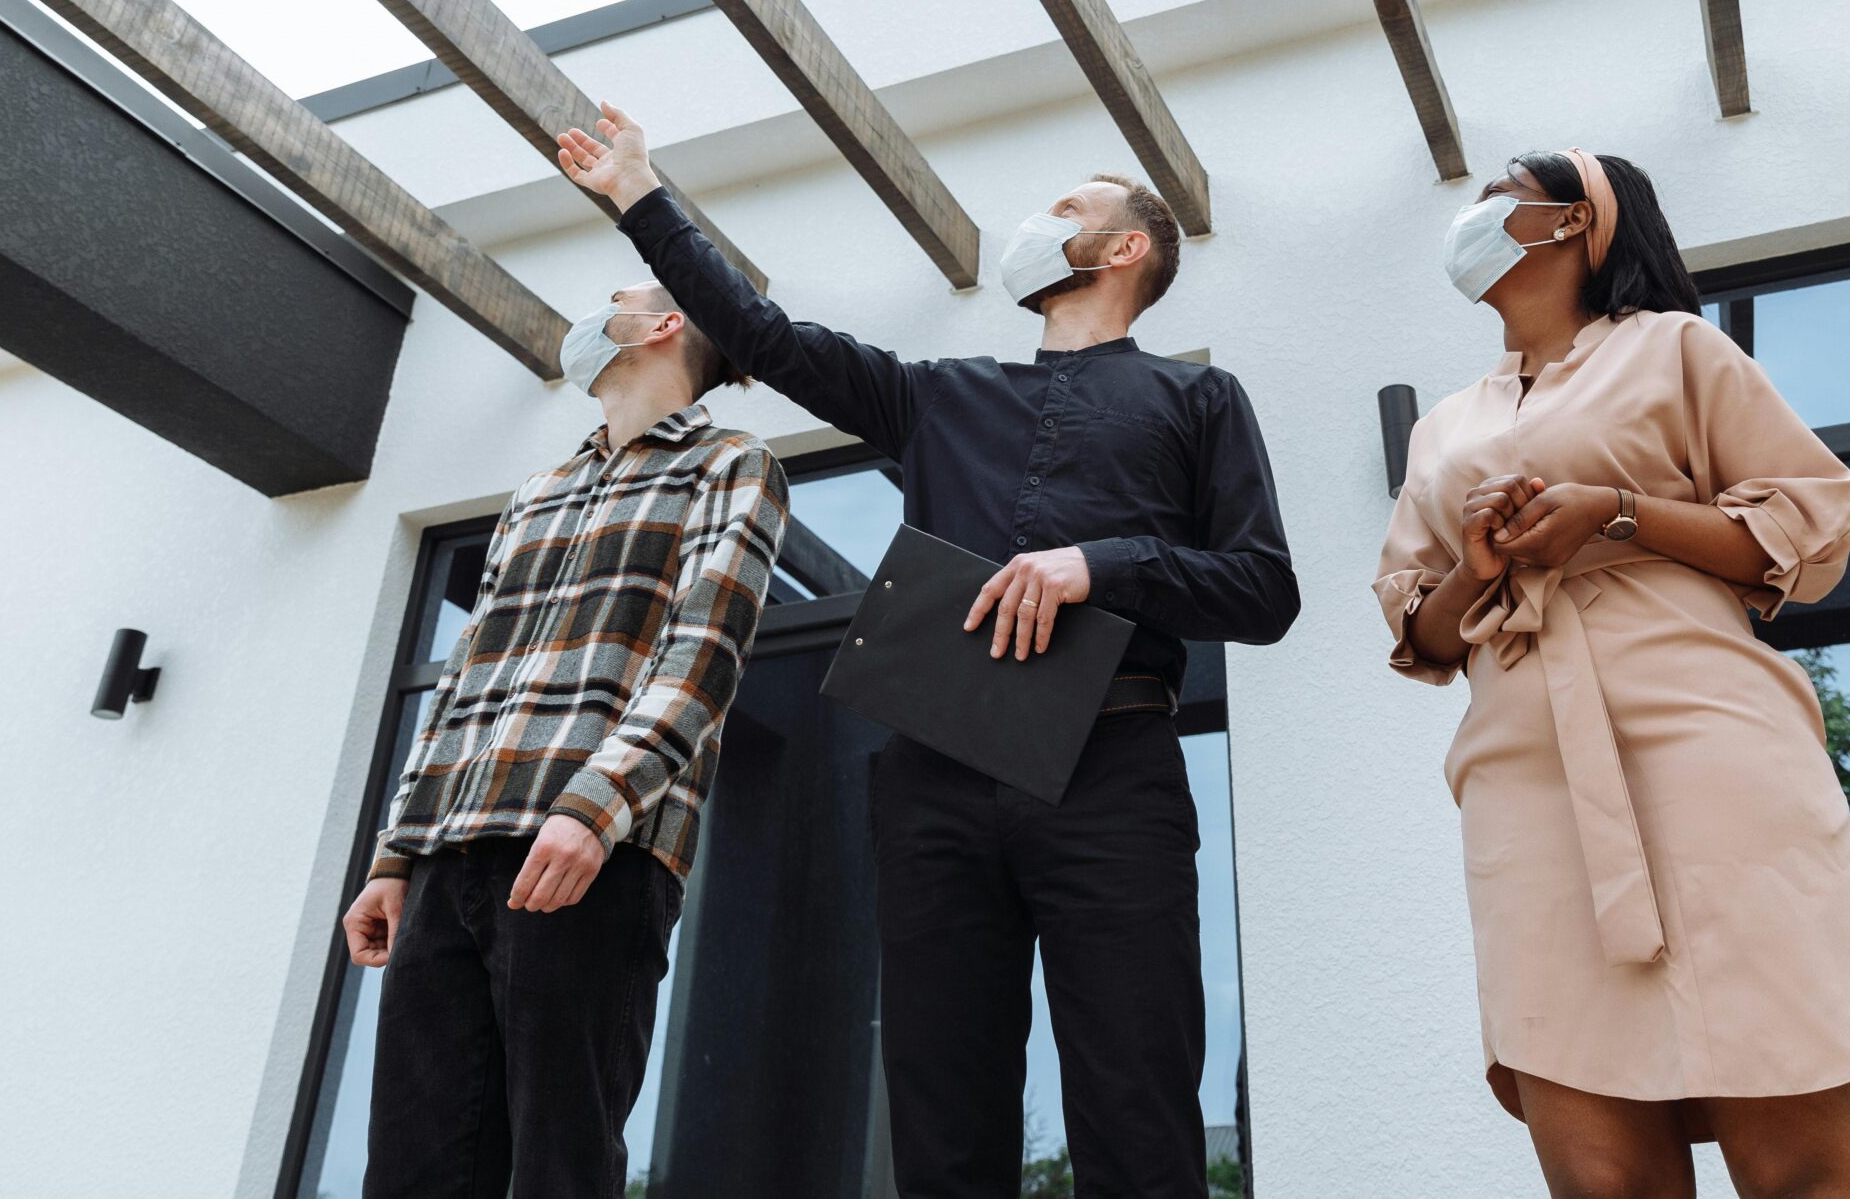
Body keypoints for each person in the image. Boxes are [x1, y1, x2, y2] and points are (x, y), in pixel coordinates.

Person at [556, 102, 1300, 1199]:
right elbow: (762, 337)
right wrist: (638, 198)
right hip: (933, 776)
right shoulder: (936, 398)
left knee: (1135, 1100)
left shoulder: (1197, 397)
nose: (1035, 227)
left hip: (1114, 773)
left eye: (1065, 212)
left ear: (1125, 248)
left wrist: (1102, 563)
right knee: (941, 1114)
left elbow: (1265, 589)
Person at [1376, 150, 1850, 1199]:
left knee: (1799, 1166)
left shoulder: (1675, 350)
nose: (1472, 216)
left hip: (1707, 746)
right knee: (1599, 1184)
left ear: (1578, 224)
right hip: (1521, 782)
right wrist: (1474, 573)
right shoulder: (1444, 427)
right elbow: (1420, 631)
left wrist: (1611, 511)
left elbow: (1807, 522)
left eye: (1500, 200)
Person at [339, 279, 788, 1199]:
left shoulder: (732, 465)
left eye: (616, 296)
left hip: (591, 855)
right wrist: (395, 854)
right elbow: (463, 677)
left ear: (663, 325)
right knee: (411, 1168)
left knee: (562, 1162)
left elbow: (703, 657)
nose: (591, 314)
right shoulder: (540, 489)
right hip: (447, 856)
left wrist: (594, 807)